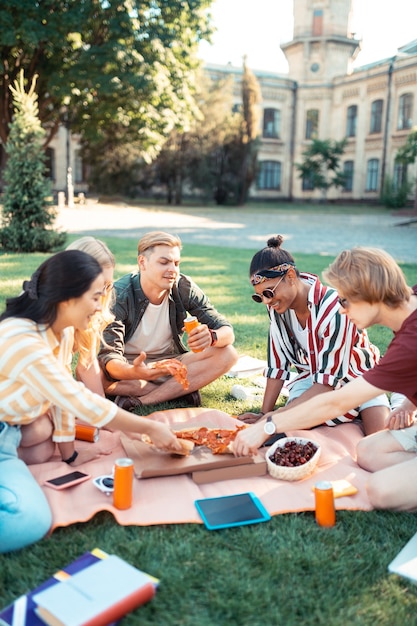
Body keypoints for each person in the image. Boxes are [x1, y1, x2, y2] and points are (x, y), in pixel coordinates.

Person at [0, 250, 184, 553]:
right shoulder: (22, 338)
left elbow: (60, 400)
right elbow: (77, 399)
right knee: (29, 521)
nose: (101, 308)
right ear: (67, 298)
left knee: (38, 442)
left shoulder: (58, 332)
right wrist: (150, 430)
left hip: (9, 437)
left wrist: (70, 457)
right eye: (96, 297)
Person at [233, 247, 417, 511]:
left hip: (351, 384)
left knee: (379, 489)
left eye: (344, 300)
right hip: (345, 386)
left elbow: (333, 400)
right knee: (366, 451)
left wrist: (267, 425)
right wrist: (410, 404)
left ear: (369, 292)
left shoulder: (407, 345)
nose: (340, 309)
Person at [238, 235, 390, 435]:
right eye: (260, 297)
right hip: (311, 378)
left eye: (269, 293)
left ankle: (396, 401)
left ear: (291, 276)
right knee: (292, 433)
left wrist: (277, 416)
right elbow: (277, 364)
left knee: (378, 435)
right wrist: (265, 413)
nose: (267, 302)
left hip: (359, 377)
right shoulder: (277, 309)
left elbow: (327, 384)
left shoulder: (334, 308)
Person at [98, 231, 237, 409]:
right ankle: (180, 391)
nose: (172, 270)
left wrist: (212, 337)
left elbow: (226, 330)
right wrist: (138, 372)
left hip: (170, 364)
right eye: (164, 262)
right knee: (94, 374)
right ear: (142, 262)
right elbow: (110, 358)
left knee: (228, 354)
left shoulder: (183, 286)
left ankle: (141, 400)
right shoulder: (119, 295)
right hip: (129, 367)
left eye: (176, 263)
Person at [18, 237, 116, 465]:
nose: (103, 294)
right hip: (22, 395)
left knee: (42, 452)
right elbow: (58, 388)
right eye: (98, 286)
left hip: (47, 394)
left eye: (107, 286)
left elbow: (88, 365)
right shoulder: (47, 317)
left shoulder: (90, 311)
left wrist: (107, 417)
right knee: (41, 431)